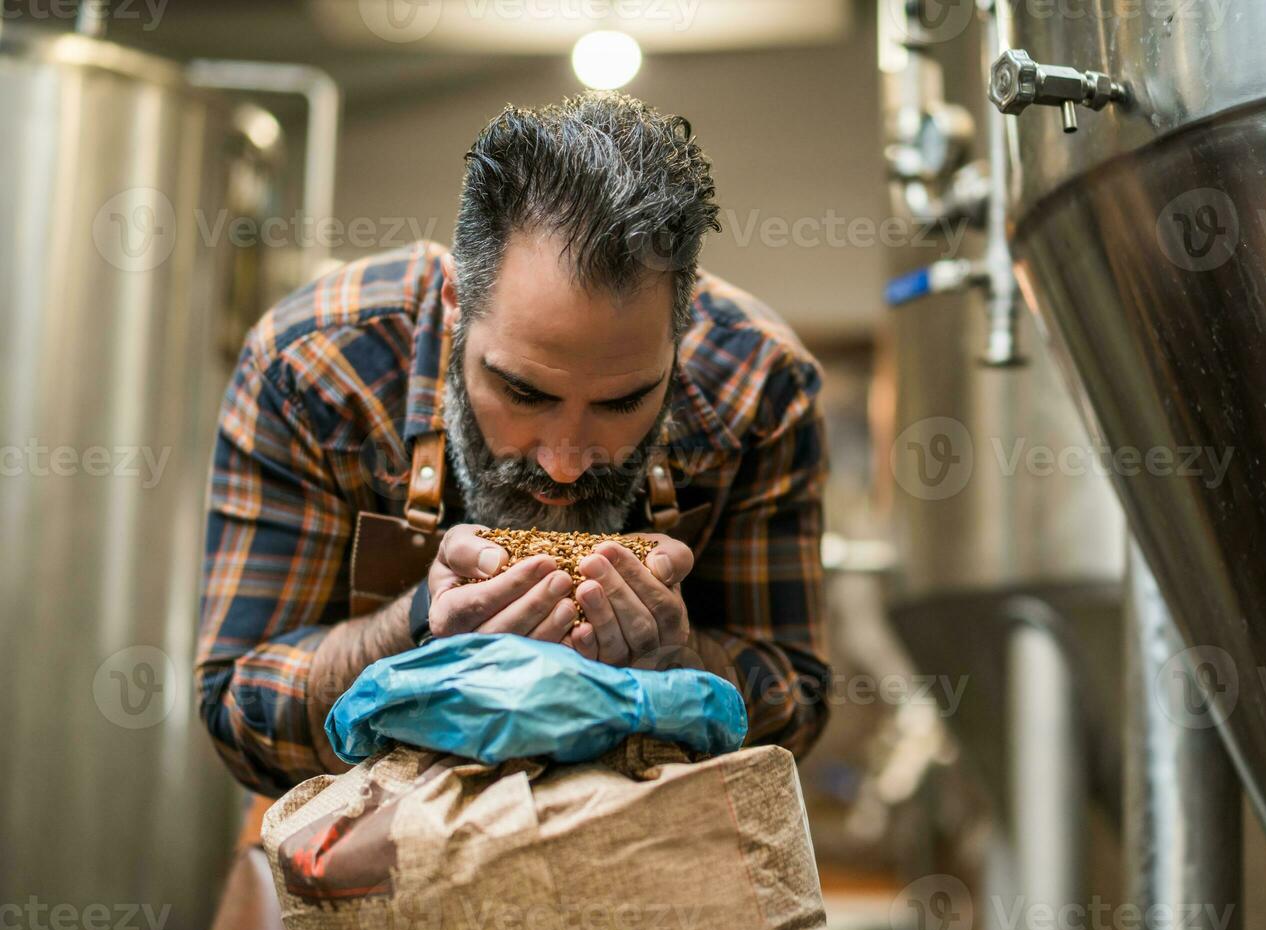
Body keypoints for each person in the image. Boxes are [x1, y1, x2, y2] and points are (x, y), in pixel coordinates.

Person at [194, 92, 831, 796]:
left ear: (680, 338)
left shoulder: (756, 388)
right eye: (525, 393)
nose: (564, 462)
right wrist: (414, 627)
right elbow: (238, 711)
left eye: (623, 401)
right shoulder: (314, 370)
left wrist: (680, 656)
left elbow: (797, 707)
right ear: (454, 308)